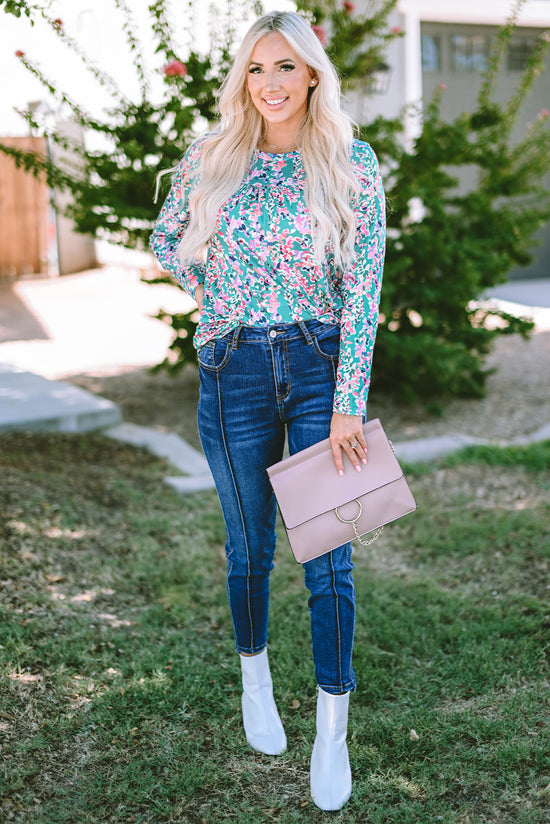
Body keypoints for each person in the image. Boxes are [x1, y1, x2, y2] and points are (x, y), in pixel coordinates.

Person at [150, 9, 385, 812]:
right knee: (249, 548)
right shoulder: (214, 156)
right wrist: (216, 296)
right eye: (257, 69)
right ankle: (256, 680)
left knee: (329, 556)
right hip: (233, 363)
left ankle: (331, 728)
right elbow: (163, 236)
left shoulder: (350, 160)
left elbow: (365, 289)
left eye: (286, 67)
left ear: (313, 72)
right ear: (242, 79)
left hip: (321, 365)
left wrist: (349, 400)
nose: (271, 84)